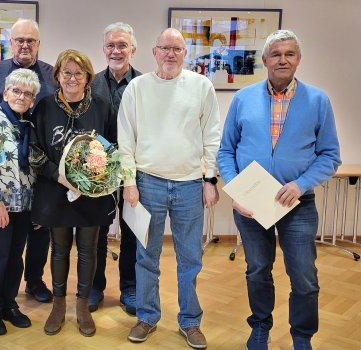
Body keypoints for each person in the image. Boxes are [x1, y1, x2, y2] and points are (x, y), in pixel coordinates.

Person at [217, 29, 341, 350]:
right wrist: (237, 191)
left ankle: (302, 336)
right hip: (252, 205)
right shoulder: (243, 99)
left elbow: (330, 156)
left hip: (297, 205)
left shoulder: (317, 100)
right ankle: (260, 326)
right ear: (265, 60)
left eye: (289, 54)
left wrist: (300, 185)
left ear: (298, 59)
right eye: (276, 54)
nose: (282, 59)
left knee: (303, 275)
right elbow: (225, 152)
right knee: (257, 270)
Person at [118, 28, 220, 349]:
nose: (171, 54)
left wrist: (210, 179)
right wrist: (129, 183)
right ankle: (147, 316)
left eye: (177, 49)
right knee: (146, 256)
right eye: (165, 48)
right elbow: (126, 139)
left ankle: (190, 321)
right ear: (154, 52)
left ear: (185, 54)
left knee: (190, 256)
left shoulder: (201, 87)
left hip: (190, 184)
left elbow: (211, 136)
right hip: (147, 184)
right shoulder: (137, 88)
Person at [30, 49, 116, 337]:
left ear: (88, 77)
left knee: (89, 249)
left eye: (78, 73)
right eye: (66, 72)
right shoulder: (44, 107)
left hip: (92, 192)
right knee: (60, 248)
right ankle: (58, 304)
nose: (72, 78)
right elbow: (35, 151)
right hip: (56, 191)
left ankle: (81, 305)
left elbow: (110, 144)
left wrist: (94, 172)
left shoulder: (101, 107)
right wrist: (61, 177)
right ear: (57, 76)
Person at [0, 18, 57, 304]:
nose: (25, 45)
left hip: (36, 180)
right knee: (4, 249)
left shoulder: (51, 75)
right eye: (19, 40)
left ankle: (33, 283)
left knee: (38, 240)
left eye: (31, 41)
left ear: (39, 43)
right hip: (1, 186)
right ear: (10, 42)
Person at [0, 68, 41, 336]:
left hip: (25, 203)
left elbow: (35, 167)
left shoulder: (30, 124)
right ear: (5, 93)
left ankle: (9, 304)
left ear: (33, 99)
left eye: (28, 94)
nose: (21, 97)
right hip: (0, 204)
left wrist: (38, 207)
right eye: (17, 91)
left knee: (16, 257)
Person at [88, 22, 141, 315]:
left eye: (122, 45)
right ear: (103, 49)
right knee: (97, 231)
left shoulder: (146, 83)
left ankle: (130, 288)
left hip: (135, 171)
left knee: (131, 230)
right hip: (99, 171)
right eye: (111, 45)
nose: (116, 50)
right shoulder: (91, 83)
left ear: (132, 49)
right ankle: (96, 286)